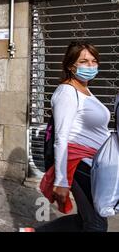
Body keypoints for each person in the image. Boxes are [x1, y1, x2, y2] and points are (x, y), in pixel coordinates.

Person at [36, 41, 110, 232]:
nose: (91, 65)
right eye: (84, 61)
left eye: (94, 61)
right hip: (79, 165)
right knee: (96, 225)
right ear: (71, 66)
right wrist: (62, 181)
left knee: (89, 221)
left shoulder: (85, 90)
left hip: (92, 163)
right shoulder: (67, 92)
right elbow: (61, 138)